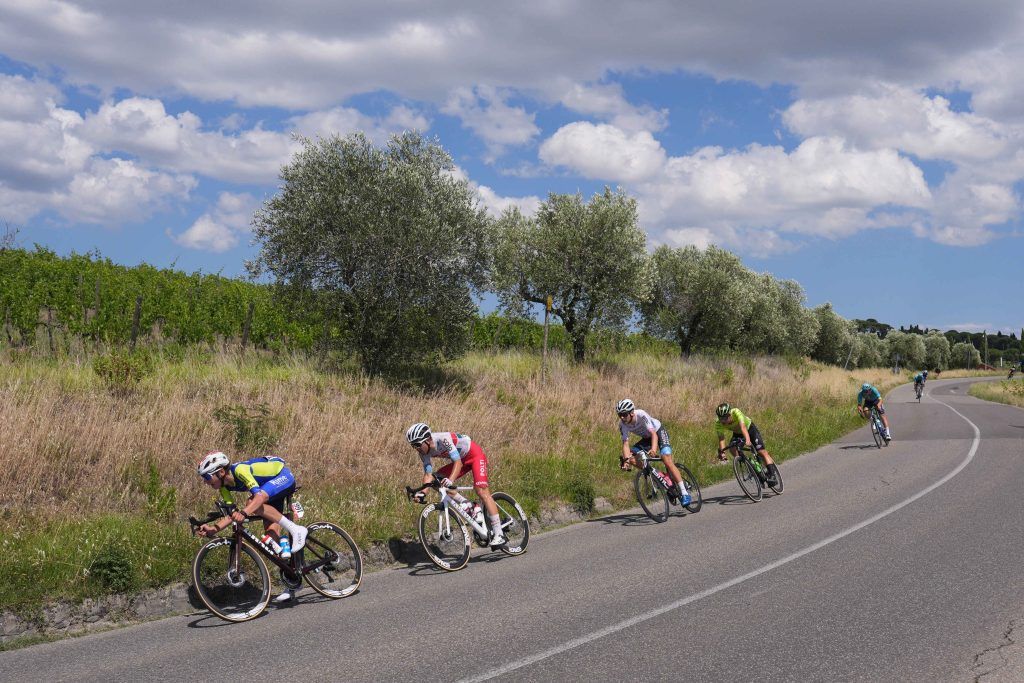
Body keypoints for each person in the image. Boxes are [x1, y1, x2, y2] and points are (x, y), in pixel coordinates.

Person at [196, 451, 308, 602]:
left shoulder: (240, 470)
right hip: (269, 491)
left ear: (221, 472)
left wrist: (245, 512)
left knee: (251, 503)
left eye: (207, 477)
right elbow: (233, 514)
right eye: (204, 478)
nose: (205, 482)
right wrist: (214, 529)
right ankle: (293, 582)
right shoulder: (224, 488)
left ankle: (296, 530)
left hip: (282, 477)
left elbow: (259, 497)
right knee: (272, 544)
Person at [406, 423, 506, 547]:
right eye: (413, 446)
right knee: (437, 481)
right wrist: (422, 492)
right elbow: (428, 474)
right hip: (462, 460)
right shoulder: (423, 451)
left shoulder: (443, 439)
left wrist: (451, 480)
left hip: (474, 455)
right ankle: (469, 506)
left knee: (481, 491)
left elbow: (457, 463)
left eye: (417, 444)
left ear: (427, 440)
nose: (416, 449)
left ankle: (499, 533)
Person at [615, 399, 691, 506]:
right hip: (646, 439)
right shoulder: (622, 424)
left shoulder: (641, 415)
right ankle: (661, 476)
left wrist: (654, 449)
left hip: (658, 432)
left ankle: (684, 492)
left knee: (667, 460)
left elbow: (654, 434)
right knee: (630, 458)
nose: (622, 417)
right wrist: (626, 461)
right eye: (619, 415)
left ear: (632, 413)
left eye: (624, 414)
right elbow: (625, 444)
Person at [714, 403, 780, 485]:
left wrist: (748, 440)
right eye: (721, 418)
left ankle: (772, 475)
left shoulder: (736, 412)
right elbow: (721, 439)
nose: (723, 421)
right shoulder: (718, 423)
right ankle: (748, 464)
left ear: (730, 414)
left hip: (750, 429)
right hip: (737, 434)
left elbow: (743, 427)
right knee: (732, 448)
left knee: (761, 451)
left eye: (725, 418)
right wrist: (722, 452)